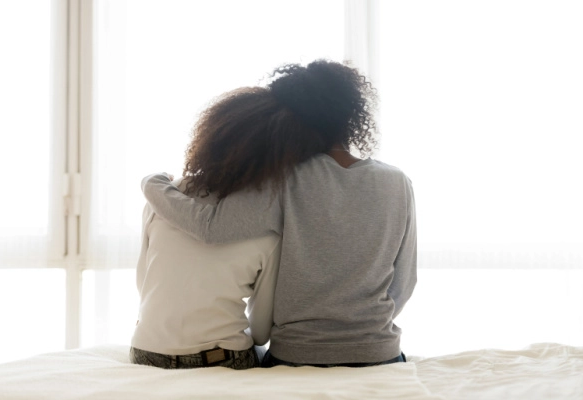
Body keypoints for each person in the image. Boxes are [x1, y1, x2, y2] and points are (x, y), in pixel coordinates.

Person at [141, 60, 417, 367]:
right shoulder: (398, 182)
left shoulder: (282, 179)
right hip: (379, 351)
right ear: (352, 114)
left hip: (297, 354)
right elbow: (403, 284)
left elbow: (211, 229)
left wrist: (153, 185)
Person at [130, 87, 290, 370]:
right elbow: (262, 330)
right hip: (221, 358)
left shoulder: (163, 198)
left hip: (145, 351)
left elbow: (144, 284)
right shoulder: (267, 223)